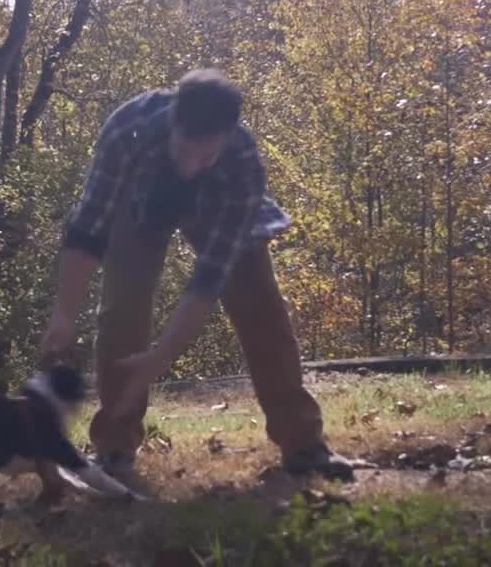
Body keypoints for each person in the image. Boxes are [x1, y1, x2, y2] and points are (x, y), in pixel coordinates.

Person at [38, 68, 359, 481]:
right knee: (121, 313)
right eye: (184, 152)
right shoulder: (126, 133)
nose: (192, 167)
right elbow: (88, 228)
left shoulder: (243, 162)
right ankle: (115, 449)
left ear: (228, 136)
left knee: (262, 307)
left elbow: (209, 279)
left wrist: (162, 356)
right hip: (140, 208)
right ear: (174, 124)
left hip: (217, 211)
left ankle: (304, 445)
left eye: (206, 157)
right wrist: (64, 314)